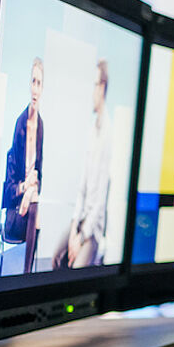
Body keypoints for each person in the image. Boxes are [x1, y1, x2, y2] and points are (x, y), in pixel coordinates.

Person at [52, 60, 112, 270]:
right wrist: (72, 228)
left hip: (93, 231)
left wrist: (81, 237)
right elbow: (82, 187)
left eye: (94, 85)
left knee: (75, 269)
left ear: (102, 87)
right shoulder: (91, 131)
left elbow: (98, 202)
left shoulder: (107, 135)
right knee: (56, 257)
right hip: (80, 222)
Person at [0, 57, 44, 271]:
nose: (35, 89)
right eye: (33, 82)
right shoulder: (20, 124)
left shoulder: (41, 126)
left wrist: (31, 191)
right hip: (15, 216)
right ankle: (27, 276)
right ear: (29, 84)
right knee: (34, 200)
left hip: (31, 211)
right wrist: (25, 189)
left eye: (39, 83)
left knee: (36, 201)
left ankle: (28, 275)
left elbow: (40, 176)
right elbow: (7, 192)